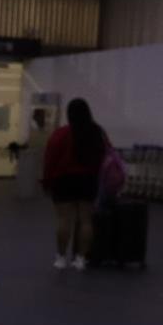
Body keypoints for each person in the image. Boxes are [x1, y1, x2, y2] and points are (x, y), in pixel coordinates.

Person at [42, 97, 109, 270]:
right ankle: (80, 259)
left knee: (64, 220)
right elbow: (106, 155)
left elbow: (50, 159)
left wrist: (47, 181)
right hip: (88, 181)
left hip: (64, 181)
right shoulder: (97, 133)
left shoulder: (62, 134)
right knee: (86, 221)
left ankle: (61, 258)